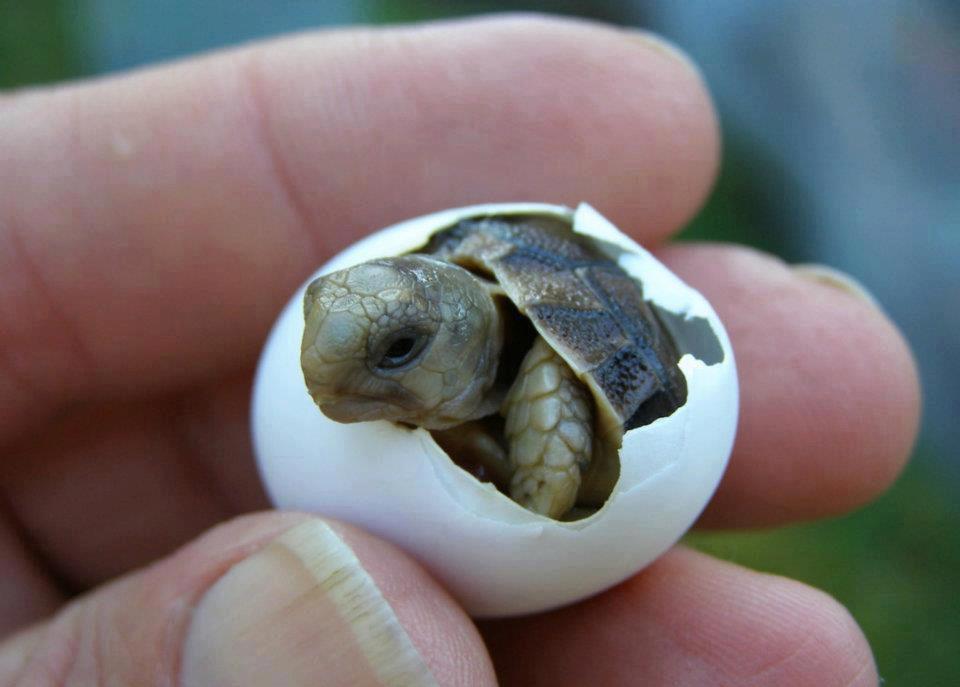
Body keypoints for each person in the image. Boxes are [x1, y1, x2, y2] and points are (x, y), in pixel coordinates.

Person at [0, 15, 919, 686]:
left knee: (556, 395)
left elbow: (558, 487)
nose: (323, 376)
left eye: (399, 350)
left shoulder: (548, 370)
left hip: (567, 342)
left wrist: (540, 507)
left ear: (462, 336)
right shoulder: (404, 307)